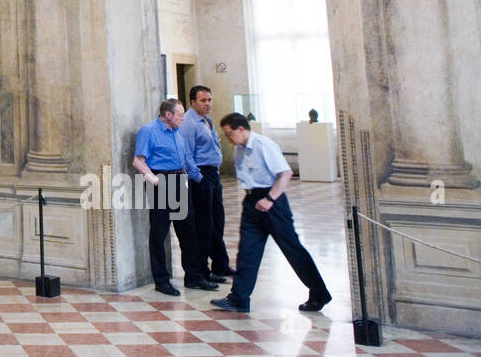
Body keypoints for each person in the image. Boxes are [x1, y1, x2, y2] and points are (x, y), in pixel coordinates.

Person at [210, 113, 332, 314]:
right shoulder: (239, 150)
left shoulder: (263, 145)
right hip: (252, 203)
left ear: (241, 129)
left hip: (272, 203)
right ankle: (239, 298)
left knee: (293, 250)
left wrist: (270, 199)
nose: (228, 138)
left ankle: (319, 293)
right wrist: (254, 200)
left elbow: (285, 174)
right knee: (247, 252)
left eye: (230, 134)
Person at [132, 99, 217, 296]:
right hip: (161, 180)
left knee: (188, 230)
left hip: (180, 180)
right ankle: (162, 280)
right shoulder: (149, 131)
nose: (183, 118)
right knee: (159, 234)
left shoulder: (177, 132)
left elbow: (186, 158)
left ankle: (194, 277)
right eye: (180, 114)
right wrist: (154, 180)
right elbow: (138, 161)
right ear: (168, 115)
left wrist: (199, 178)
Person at [179, 86, 235, 280]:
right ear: (193, 102)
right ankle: (203, 269)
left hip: (213, 174)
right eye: (203, 100)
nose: (208, 104)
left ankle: (220, 263)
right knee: (203, 224)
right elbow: (186, 154)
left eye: (209, 100)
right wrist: (199, 177)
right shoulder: (189, 122)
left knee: (217, 221)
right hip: (200, 176)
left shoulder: (207, 121)